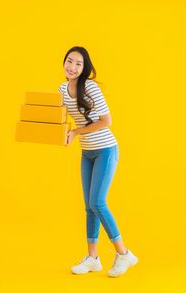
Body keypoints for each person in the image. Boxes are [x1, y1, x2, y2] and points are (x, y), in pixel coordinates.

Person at [58, 46, 138, 277]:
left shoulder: (90, 87)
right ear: (63, 62)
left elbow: (106, 121)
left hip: (105, 150)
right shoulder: (62, 89)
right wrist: (60, 133)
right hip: (87, 153)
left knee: (98, 203)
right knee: (89, 207)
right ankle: (92, 258)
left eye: (78, 64)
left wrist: (75, 133)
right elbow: (58, 118)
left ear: (85, 68)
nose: (72, 67)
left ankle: (124, 254)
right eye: (69, 61)